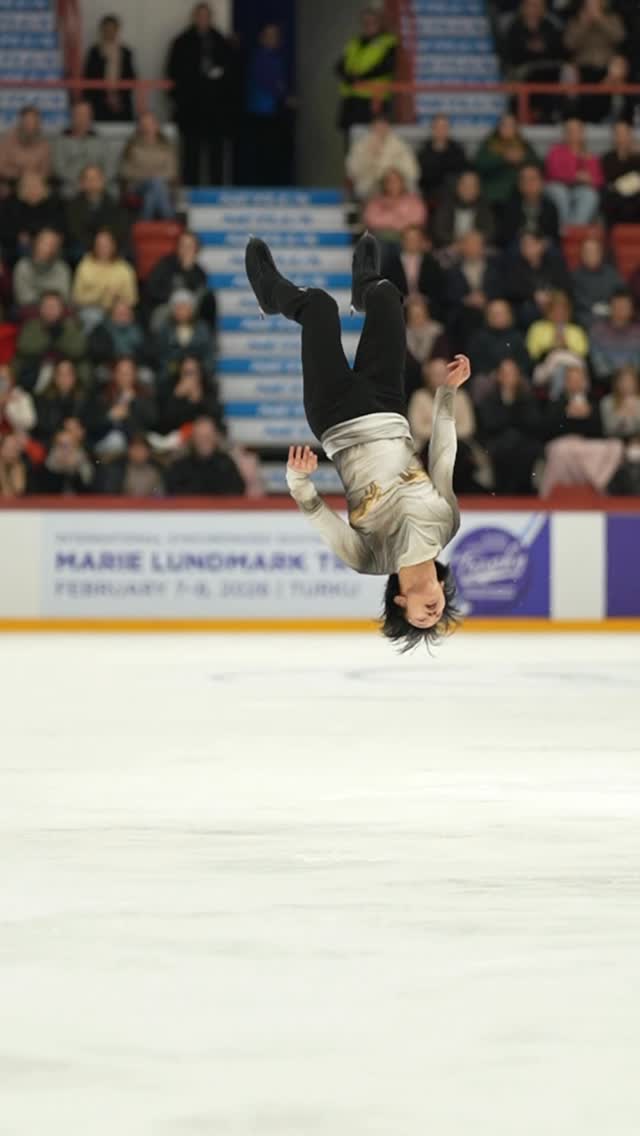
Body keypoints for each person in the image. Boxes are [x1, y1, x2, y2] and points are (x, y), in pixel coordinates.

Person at [245, 233, 469, 650]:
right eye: (436, 620)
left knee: (318, 308)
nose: (432, 618)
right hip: (387, 405)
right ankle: (364, 284)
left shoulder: (369, 559)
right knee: (387, 295)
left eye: (419, 622)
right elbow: (443, 455)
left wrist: (299, 480)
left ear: (400, 602)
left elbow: (319, 518)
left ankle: (269, 293)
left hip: (336, 417)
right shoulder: (447, 525)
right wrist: (447, 394)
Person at [166, 2, 236, 186]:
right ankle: (190, 190)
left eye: (206, 16)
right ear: (194, 17)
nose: (203, 20)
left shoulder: (221, 41)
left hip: (216, 109)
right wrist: (180, 99)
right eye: (200, 16)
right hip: (191, 108)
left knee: (216, 154)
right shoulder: (181, 42)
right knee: (191, 153)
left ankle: (216, 191)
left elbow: (231, 74)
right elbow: (172, 73)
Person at [408, 356, 481, 494]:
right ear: (427, 376)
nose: (438, 378)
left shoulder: (461, 397)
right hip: (425, 447)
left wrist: (439, 431)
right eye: (435, 375)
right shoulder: (419, 397)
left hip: (459, 446)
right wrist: (446, 430)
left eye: (442, 374)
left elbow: (468, 427)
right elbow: (417, 428)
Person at [476, 357, 543, 494]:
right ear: (499, 376)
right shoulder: (490, 398)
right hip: (498, 441)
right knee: (505, 446)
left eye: (512, 373)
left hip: (524, 441)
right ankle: (502, 492)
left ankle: (524, 492)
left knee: (524, 448)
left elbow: (533, 423)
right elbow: (490, 424)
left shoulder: (527, 397)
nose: (508, 378)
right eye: (505, 373)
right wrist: (509, 410)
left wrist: (511, 408)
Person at [335, 8, 397, 143]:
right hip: (351, 98)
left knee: (371, 140)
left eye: (372, 22)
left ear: (380, 23)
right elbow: (339, 65)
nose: (368, 25)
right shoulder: (355, 42)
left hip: (373, 100)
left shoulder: (388, 42)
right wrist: (348, 77)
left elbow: (386, 67)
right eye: (365, 22)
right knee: (349, 140)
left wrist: (361, 78)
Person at [244, 23, 295, 186]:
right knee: (264, 153)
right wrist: (285, 96)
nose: (272, 39)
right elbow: (268, 82)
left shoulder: (279, 58)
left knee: (276, 153)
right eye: (268, 35)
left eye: (275, 35)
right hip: (262, 113)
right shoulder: (259, 58)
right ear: (262, 38)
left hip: (275, 113)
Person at [503, 0, 565, 123]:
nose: (533, 10)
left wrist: (541, 49)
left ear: (543, 9)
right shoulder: (515, 26)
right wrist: (531, 49)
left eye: (537, 6)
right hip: (523, 70)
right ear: (523, 8)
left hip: (547, 72)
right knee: (516, 81)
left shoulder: (550, 26)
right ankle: (517, 120)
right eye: (530, 6)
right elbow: (511, 53)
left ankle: (549, 117)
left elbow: (558, 51)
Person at [564, 0, 624, 122]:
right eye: (589, 6)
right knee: (569, 74)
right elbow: (569, 44)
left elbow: (619, 37)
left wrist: (600, 20)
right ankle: (575, 117)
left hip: (606, 68)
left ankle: (611, 117)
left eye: (595, 5)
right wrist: (584, 25)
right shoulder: (576, 22)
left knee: (617, 70)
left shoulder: (612, 19)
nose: (592, 9)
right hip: (582, 68)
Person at [144, 230, 217, 329]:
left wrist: (188, 270)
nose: (186, 250)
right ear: (177, 248)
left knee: (209, 299)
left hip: (190, 312)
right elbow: (152, 289)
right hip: (167, 307)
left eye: (190, 246)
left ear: (197, 250)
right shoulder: (165, 265)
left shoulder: (199, 272)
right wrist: (175, 302)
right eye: (183, 246)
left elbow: (198, 296)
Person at [15, 292, 87, 393]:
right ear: (40, 309)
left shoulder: (70, 325)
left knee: (71, 368)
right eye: (47, 306)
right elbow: (24, 347)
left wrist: (59, 340)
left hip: (64, 368)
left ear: (61, 309)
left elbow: (79, 349)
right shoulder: (31, 326)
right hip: (37, 368)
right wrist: (49, 338)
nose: (50, 310)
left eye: (54, 306)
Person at [86, 355, 157, 455]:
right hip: (104, 441)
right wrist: (110, 416)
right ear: (114, 374)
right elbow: (91, 423)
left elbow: (149, 423)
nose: (124, 377)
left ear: (134, 375)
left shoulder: (144, 396)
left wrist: (131, 407)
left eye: (128, 373)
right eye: (121, 373)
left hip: (134, 445)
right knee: (115, 440)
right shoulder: (103, 394)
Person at [499, 230, 572, 327]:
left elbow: (565, 284)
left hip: (552, 301)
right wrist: (533, 295)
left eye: (530, 244)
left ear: (540, 245)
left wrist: (550, 295)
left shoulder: (554, 261)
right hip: (526, 304)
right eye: (524, 245)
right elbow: (510, 288)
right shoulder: (514, 264)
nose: (526, 248)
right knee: (527, 312)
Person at [72, 229, 138, 329]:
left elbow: (132, 299)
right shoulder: (84, 265)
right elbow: (77, 297)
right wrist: (100, 294)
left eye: (106, 244)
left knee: (123, 316)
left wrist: (117, 298)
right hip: (90, 309)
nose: (103, 248)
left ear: (114, 246)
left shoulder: (124, 268)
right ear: (94, 246)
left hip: (116, 309)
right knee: (94, 316)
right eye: (99, 244)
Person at [445, 229, 500, 348]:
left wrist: (485, 298)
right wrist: (466, 300)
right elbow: (449, 294)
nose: (473, 248)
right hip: (463, 312)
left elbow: (500, 289)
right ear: (462, 247)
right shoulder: (453, 271)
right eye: (469, 244)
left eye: (477, 244)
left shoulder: (494, 268)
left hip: (489, 307)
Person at [119, 112, 179, 220]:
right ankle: (170, 220)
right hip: (137, 185)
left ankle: (144, 222)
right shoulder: (131, 146)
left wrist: (153, 177)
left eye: (150, 124)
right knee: (156, 183)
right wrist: (150, 176)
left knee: (151, 195)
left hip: (161, 185)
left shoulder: (167, 147)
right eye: (144, 125)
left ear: (156, 126)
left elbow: (171, 171)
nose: (147, 128)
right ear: (139, 127)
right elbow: (125, 171)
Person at [544, 117, 603, 226]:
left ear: (582, 133)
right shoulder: (556, 151)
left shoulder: (590, 156)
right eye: (569, 130)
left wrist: (590, 180)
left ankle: (575, 230)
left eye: (577, 130)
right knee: (559, 192)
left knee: (590, 195)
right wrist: (575, 176)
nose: (573, 134)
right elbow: (553, 173)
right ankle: (563, 228)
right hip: (556, 187)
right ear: (564, 133)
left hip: (578, 190)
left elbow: (598, 180)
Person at [153, 289, 216, 390]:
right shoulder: (165, 329)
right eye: (178, 307)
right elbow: (161, 354)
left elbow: (209, 353)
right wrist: (177, 368)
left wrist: (200, 369)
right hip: (172, 373)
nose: (181, 311)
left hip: (199, 373)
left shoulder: (202, 328)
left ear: (192, 309)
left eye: (185, 307)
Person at [166, 416, 245, 495]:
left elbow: (237, 491)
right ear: (193, 438)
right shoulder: (180, 467)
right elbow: (173, 493)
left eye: (207, 436)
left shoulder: (226, 464)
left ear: (215, 437)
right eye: (200, 437)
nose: (204, 441)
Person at [346, 115, 419, 201]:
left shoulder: (400, 146)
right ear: (372, 127)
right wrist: (371, 157)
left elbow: (412, 170)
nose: (380, 129)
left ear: (388, 128)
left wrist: (390, 175)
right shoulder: (360, 146)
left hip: (395, 187)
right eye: (377, 126)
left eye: (383, 126)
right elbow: (352, 171)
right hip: (369, 188)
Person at [65, 164, 130, 257]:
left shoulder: (114, 204)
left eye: (96, 178)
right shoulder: (73, 206)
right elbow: (75, 232)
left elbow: (119, 229)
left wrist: (106, 243)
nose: (92, 182)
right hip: (84, 246)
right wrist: (96, 246)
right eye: (88, 179)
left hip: (109, 245)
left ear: (103, 180)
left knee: (126, 252)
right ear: (81, 183)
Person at [474, 113, 538, 207]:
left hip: (520, 188)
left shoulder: (523, 144)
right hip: (494, 187)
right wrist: (503, 159)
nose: (508, 128)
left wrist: (522, 158)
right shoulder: (490, 144)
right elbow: (479, 165)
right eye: (505, 125)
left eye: (511, 125)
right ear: (499, 127)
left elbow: (537, 164)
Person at [467, 298, 532, 390]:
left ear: (509, 315)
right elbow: (475, 362)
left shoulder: (518, 337)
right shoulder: (479, 338)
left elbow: (525, 361)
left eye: (501, 313)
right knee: (480, 382)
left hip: (515, 376)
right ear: (488, 316)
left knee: (525, 383)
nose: (498, 316)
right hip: (489, 376)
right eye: (495, 314)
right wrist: (497, 373)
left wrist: (514, 371)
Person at [0, 172, 65, 262]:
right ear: (21, 189)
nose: (33, 190)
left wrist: (43, 236)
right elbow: (6, 228)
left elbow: (58, 226)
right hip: (20, 244)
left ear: (44, 188)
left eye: (37, 186)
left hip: (47, 241)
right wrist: (18, 235)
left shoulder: (54, 204)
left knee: (49, 244)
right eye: (28, 187)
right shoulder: (12, 205)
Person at [83, 14, 137, 123]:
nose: (109, 32)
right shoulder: (94, 52)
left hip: (122, 101)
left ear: (117, 30)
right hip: (99, 101)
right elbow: (88, 77)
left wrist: (118, 96)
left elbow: (131, 77)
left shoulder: (126, 52)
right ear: (101, 30)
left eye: (112, 29)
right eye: (106, 29)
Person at [383, 225, 446, 317]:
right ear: (402, 241)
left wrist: (423, 300)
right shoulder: (391, 264)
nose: (412, 242)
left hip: (428, 308)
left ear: (421, 241)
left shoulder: (432, 264)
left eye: (415, 239)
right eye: (408, 239)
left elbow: (439, 289)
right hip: (399, 308)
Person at [431, 169, 495, 251]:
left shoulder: (485, 207)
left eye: (472, 186)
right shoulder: (446, 205)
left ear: (478, 190)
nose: (468, 189)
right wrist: (459, 243)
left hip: (477, 248)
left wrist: (473, 242)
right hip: (451, 246)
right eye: (464, 185)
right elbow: (439, 231)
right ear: (458, 187)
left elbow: (490, 232)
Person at [499, 162, 561, 246]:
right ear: (519, 185)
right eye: (524, 180)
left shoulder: (550, 207)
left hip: (542, 245)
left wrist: (539, 243)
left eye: (532, 179)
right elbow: (505, 237)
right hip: (518, 245)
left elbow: (554, 236)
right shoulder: (510, 206)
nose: (528, 184)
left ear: (542, 183)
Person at [52, 101, 104, 198]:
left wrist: (95, 181)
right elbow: (58, 168)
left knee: (111, 192)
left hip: (96, 183)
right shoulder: (61, 140)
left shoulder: (100, 140)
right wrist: (80, 182)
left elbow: (109, 166)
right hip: (71, 184)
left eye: (86, 115)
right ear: (72, 117)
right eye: (79, 114)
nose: (82, 118)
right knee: (66, 192)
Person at [13, 229, 72, 312]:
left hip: (57, 311)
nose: (49, 248)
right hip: (31, 309)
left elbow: (64, 296)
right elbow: (23, 297)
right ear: (36, 244)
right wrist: (45, 304)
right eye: (46, 243)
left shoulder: (62, 268)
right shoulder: (23, 266)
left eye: (53, 244)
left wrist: (52, 304)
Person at [159, 355, 222, 433]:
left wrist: (196, 399)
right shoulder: (170, 391)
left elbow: (215, 422)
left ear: (200, 374)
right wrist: (176, 397)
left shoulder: (209, 392)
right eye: (186, 373)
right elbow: (164, 426)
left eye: (192, 373)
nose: (189, 378)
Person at [363, 169, 427, 245]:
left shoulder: (413, 200)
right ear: (384, 183)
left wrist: (388, 217)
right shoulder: (375, 201)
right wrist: (398, 218)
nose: (393, 184)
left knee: (413, 237)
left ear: (402, 182)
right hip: (382, 238)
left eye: (396, 180)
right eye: (389, 181)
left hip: (407, 237)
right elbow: (371, 220)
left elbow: (418, 219)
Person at [571, 234, 623, 326]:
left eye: (594, 251)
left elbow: (621, 295)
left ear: (601, 253)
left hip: (611, 316)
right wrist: (594, 308)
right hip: (586, 318)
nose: (591, 255)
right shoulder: (574, 277)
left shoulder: (612, 275)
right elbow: (576, 301)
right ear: (582, 254)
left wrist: (611, 308)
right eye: (587, 252)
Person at [590, 289, 640, 383]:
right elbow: (598, 364)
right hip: (605, 382)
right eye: (617, 306)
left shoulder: (638, 332)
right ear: (610, 307)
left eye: (624, 306)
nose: (620, 310)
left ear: (632, 309)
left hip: (635, 381)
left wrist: (628, 376)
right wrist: (618, 377)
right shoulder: (597, 331)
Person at [34, 359, 88, 446]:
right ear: (54, 377)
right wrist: (62, 429)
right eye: (61, 374)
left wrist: (80, 429)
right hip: (51, 445)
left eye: (68, 374)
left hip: (79, 445)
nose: (64, 378)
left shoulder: (84, 397)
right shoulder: (43, 399)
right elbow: (41, 427)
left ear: (75, 376)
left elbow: (92, 424)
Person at [403, 295, 449, 396]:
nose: (417, 319)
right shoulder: (402, 334)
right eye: (414, 316)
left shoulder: (437, 332)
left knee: (439, 369)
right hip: (410, 376)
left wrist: (429, 368)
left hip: (434, 372)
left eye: (420, 315)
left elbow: (443, 356)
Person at [417, 115, 467, 205]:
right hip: (429, 195)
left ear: (448, 129)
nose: (440, 130)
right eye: (437, 127)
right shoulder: (423, 151)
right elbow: (421, 178)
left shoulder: (457, 151)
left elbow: (461, 174)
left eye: (444, 127)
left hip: (453, 195)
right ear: (432, 129)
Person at [97, 433, 165, 496]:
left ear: (148, 452)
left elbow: (160, 494)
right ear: (129, 451)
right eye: (135, 449)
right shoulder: (118, 470)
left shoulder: (156, 470)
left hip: (149, 506)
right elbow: (110, 493)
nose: (139, 453)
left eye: (142, 450)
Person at [87, 299, 148, 368]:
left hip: (135, 365)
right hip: (110, 365)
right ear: (112, 315)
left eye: (126, 313)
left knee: (146, 375)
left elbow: (147, 351)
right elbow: (97, 352)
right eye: (120, 314)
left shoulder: (139, 330)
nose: (123, 317)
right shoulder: (102, 330)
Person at [34, 425, 95, 494]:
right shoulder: (44, 466)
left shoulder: (85, 465)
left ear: (76, 446)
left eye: (69, 445)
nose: (65, 450)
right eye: (60, 445)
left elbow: (88, 489)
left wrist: (75, 470)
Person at [601, 119, 640, 227]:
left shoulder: (637, 158)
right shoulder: (607, 158)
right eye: (618, 134)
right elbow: (610, 180)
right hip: (616, 198)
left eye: (624, 133)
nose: (621, 137)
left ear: (630, 135)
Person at [0, 106, 51, 186]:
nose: (30, 126)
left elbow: (46, 170)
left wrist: (34, 178)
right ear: (21, 122)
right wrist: (21, 174)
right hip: (12, 182)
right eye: (27, 122)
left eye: (34, 123)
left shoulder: (44, 144)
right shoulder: (7, 141)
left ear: (38, 124)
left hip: (36, 183)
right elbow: (2, 167)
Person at [600, 365, 640, 438]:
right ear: (616, 383)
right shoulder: (607, 401)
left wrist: (635, 413)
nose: (626, 384)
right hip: (615, 441)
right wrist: (622, 413)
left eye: (630, 381)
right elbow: (609, 430)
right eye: (623, 381)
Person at [0, 363, 36, 436]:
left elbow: (30, 422)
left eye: (4, 378)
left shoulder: (22, 396)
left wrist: (8, 408)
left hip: (16, 437)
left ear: (11, 379)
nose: (1, 382)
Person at [0, 433, 28, 497]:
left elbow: (19, 491)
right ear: (1, 449)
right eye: (9, 448)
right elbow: (6, 493)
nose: (13, 453)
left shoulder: (24, 467)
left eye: (15, 448)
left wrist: (17, 470)